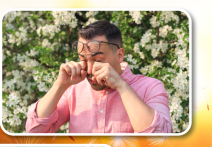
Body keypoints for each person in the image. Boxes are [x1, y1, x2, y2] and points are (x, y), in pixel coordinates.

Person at [26, 20, 173, 133]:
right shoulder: (73, 89)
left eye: (98, 60)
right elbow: (34, 132)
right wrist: (60, 85)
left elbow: (160, 138)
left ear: (119, 55)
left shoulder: (151, 87)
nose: (89, 69)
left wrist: (121, 86)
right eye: (83, 59)